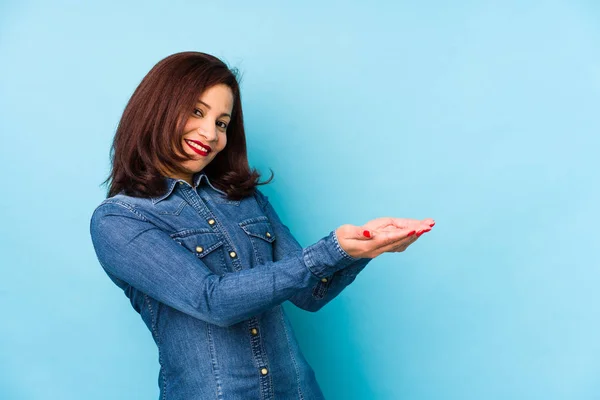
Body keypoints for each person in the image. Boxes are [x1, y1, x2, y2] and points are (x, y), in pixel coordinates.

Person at [89, 51, 435, 400]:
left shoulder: (242, 197)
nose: (210, 134)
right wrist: (329, 251)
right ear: (158, 108)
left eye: (222, 123)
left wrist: (364, 249)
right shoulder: (119, 220)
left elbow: (309, 293)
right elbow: (213, 301)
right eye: (196, 112)